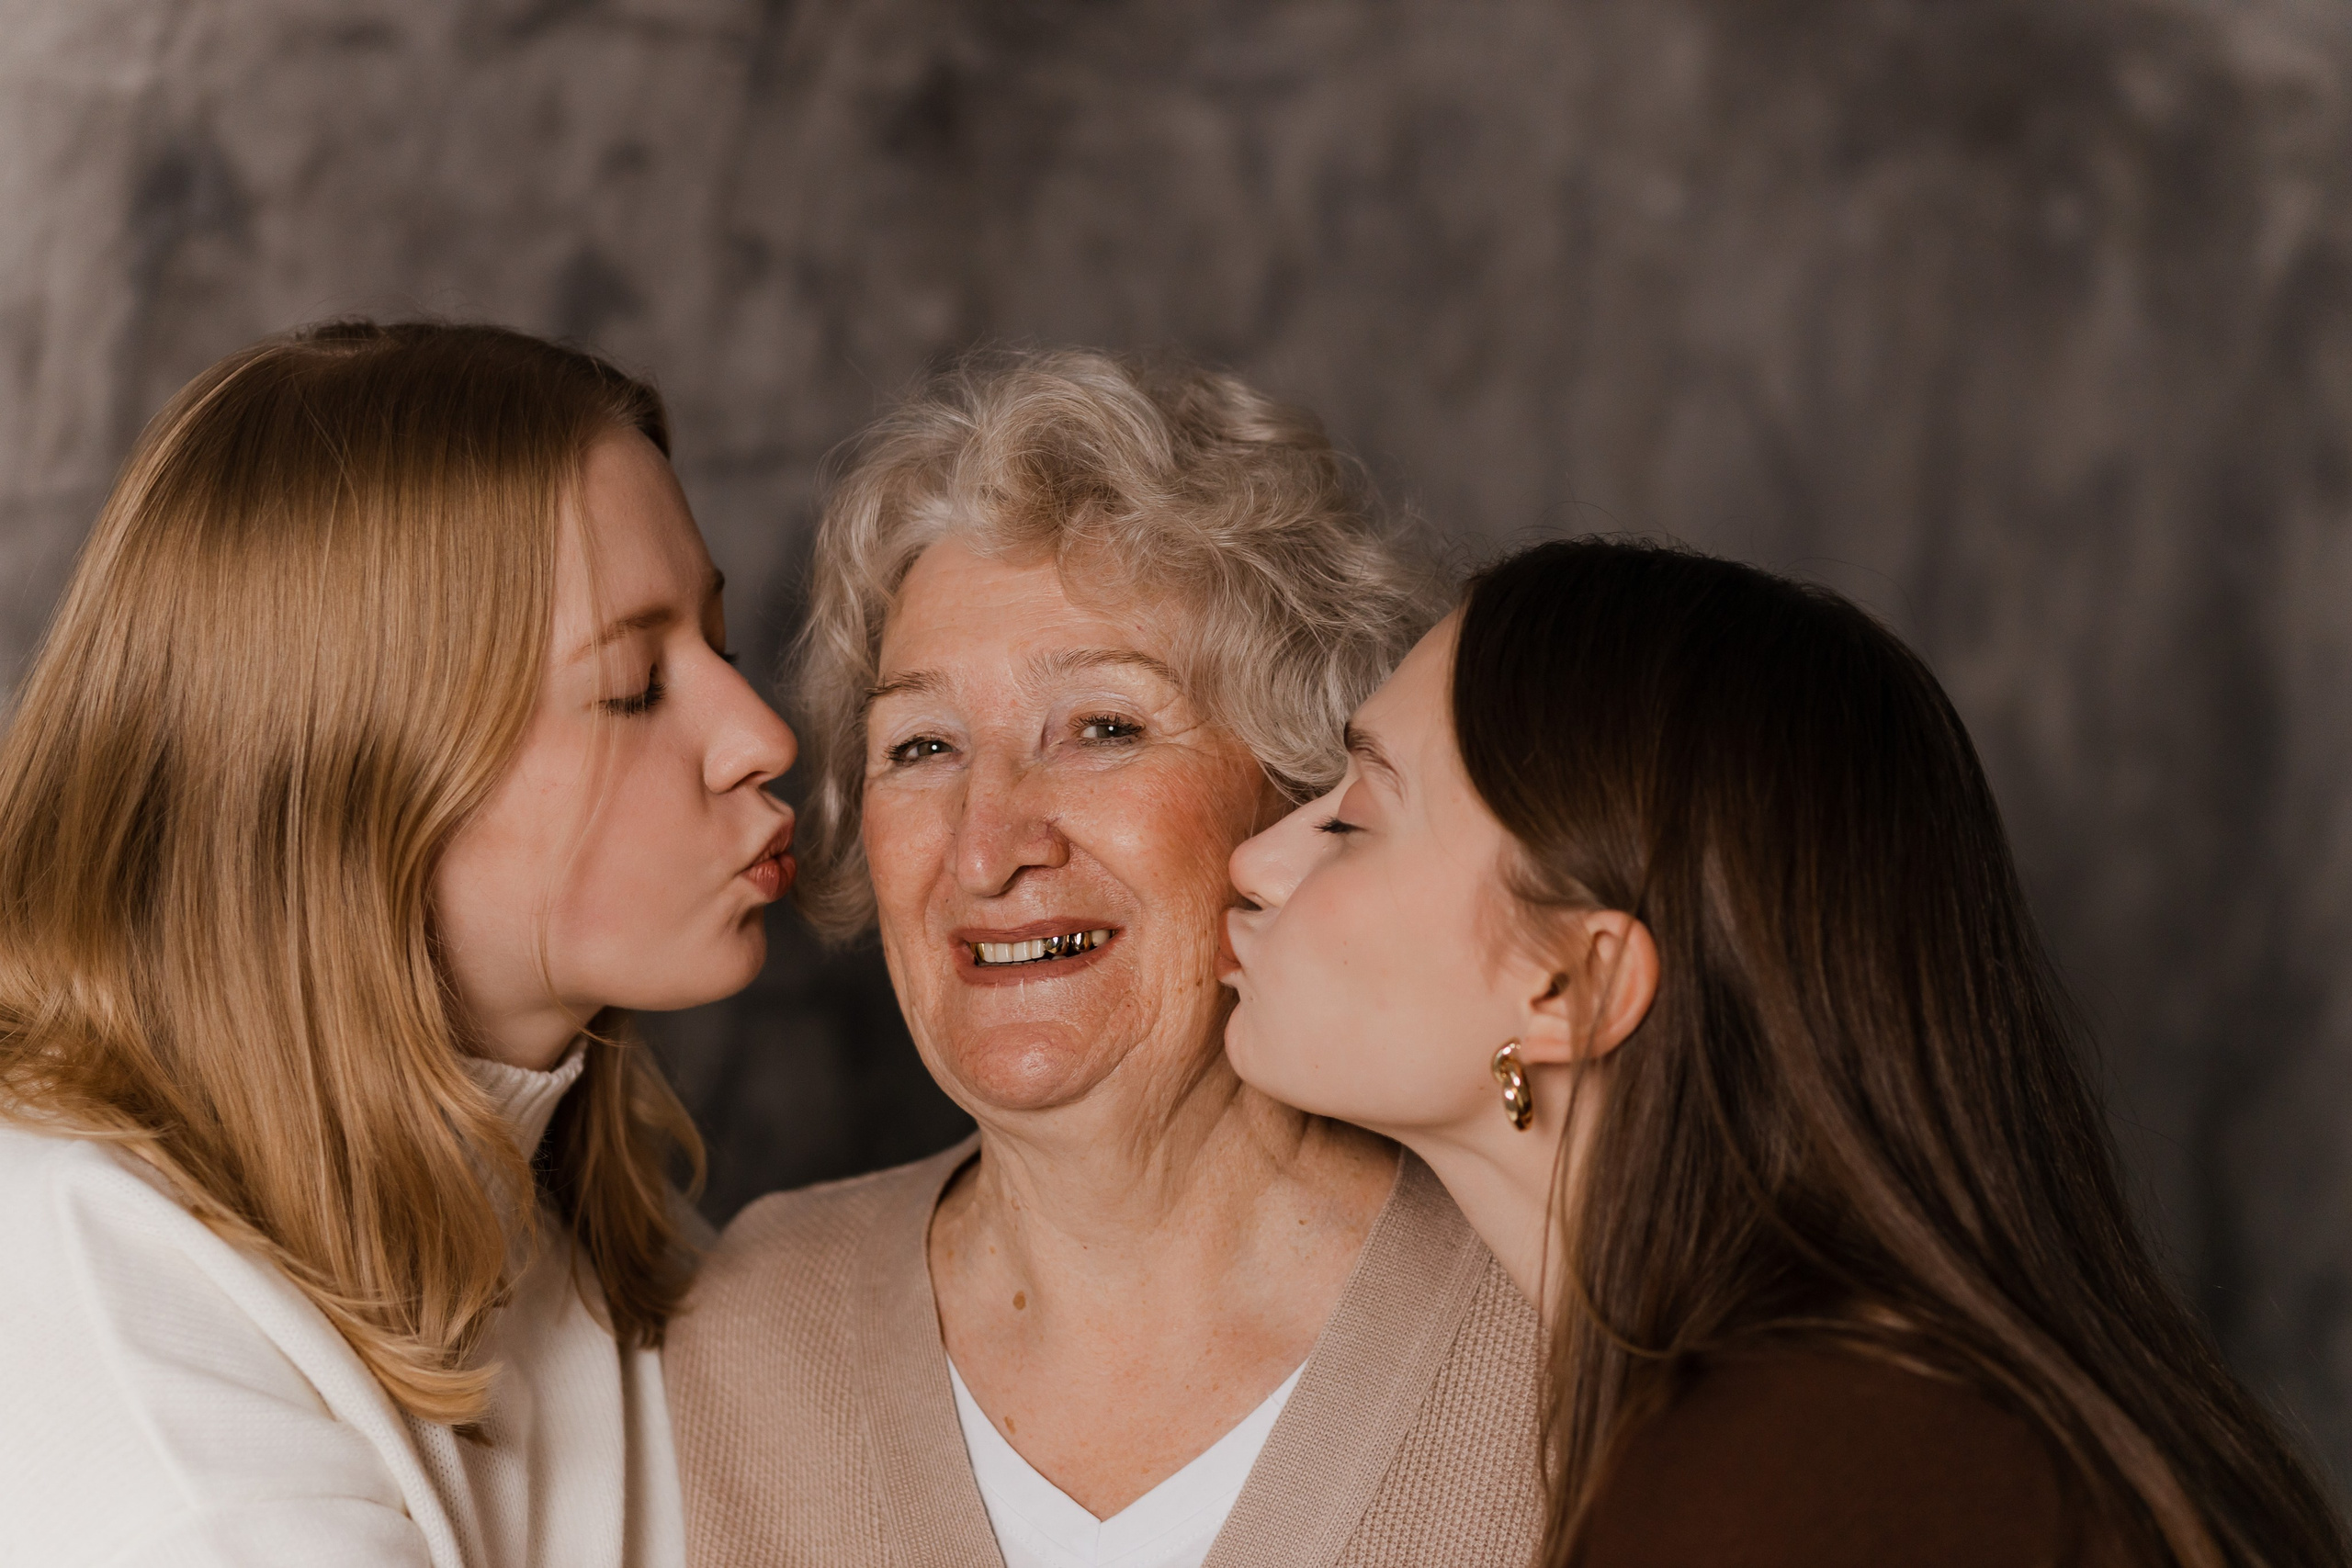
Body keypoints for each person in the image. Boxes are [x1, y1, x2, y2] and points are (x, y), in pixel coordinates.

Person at [1222, 536, 2350, 1567]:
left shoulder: (1802, 1484)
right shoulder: (1851, 1424)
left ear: (1573, 984)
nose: (1256, 861)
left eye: (1353, 819)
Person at [665, 348, 1546, 1568]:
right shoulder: (743, 1334)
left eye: (1102, 727)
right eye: (922, 745)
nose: (988, 847)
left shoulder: (1555, 1329)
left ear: (1295, 790)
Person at [0, 321, 799, 1568]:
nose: (761, 732)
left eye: (722, 644)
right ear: (355, 772)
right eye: (637, 682)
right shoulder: (79, 1279)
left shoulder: (599, 1248)